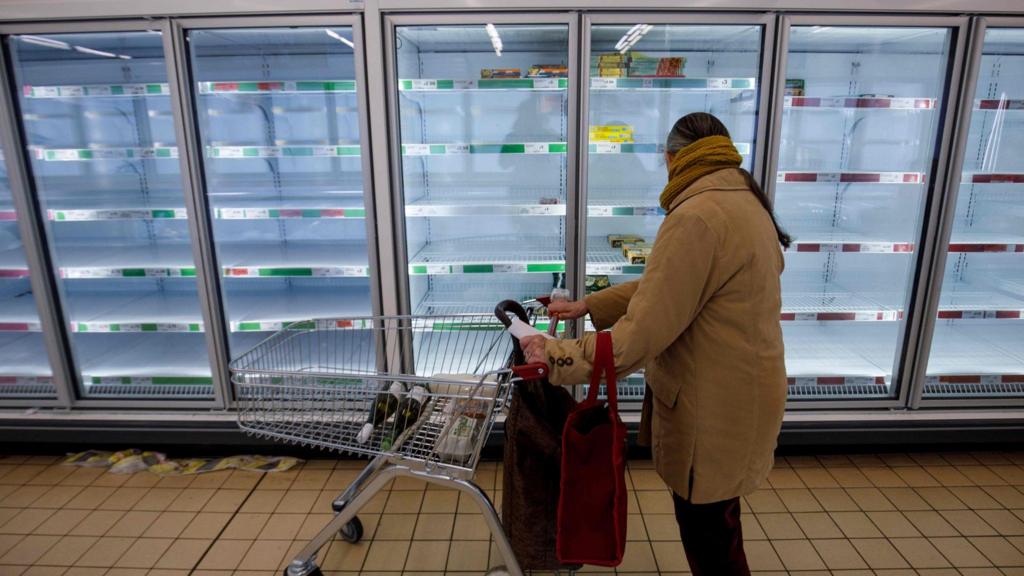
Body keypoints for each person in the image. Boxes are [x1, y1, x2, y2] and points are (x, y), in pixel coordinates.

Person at [520, 112, 790, 576]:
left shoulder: (695, 216)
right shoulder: (741, 199)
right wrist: (589, 306)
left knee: (711, 541)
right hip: (741, 397)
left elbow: (640, 335)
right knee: (719, 527)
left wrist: (559, 354)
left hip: (714, 410)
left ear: (671, 158)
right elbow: (674, 285)